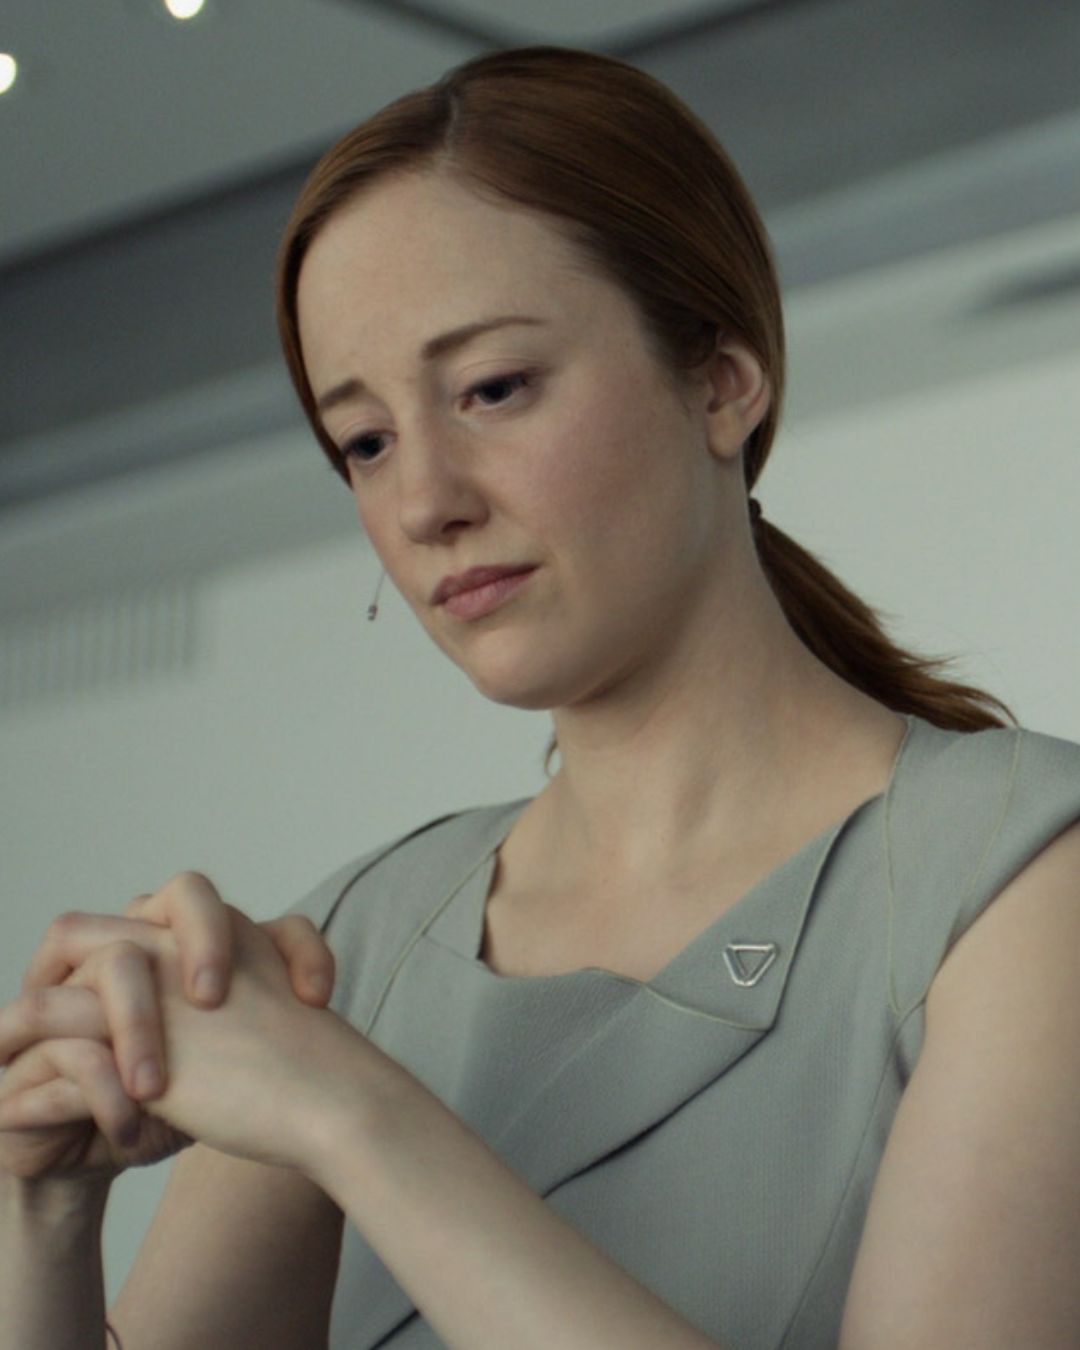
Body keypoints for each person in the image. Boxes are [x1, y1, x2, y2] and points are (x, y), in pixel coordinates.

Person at [2, 44, 1079, 1350]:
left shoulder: (1018, 879)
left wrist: (356, 1116)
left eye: (494, 389)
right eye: (365, 441)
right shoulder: (353, 942)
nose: (424, 501)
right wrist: (42, 1212)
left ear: (722, 379)